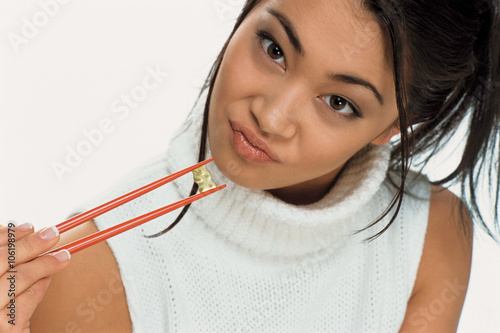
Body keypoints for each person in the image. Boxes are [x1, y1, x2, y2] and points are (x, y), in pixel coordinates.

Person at [1, 0, 499, 331]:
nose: (271, 116)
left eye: (338, 102)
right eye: (274, 49)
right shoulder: (91, 272)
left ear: (394, 127)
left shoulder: (429, 236)